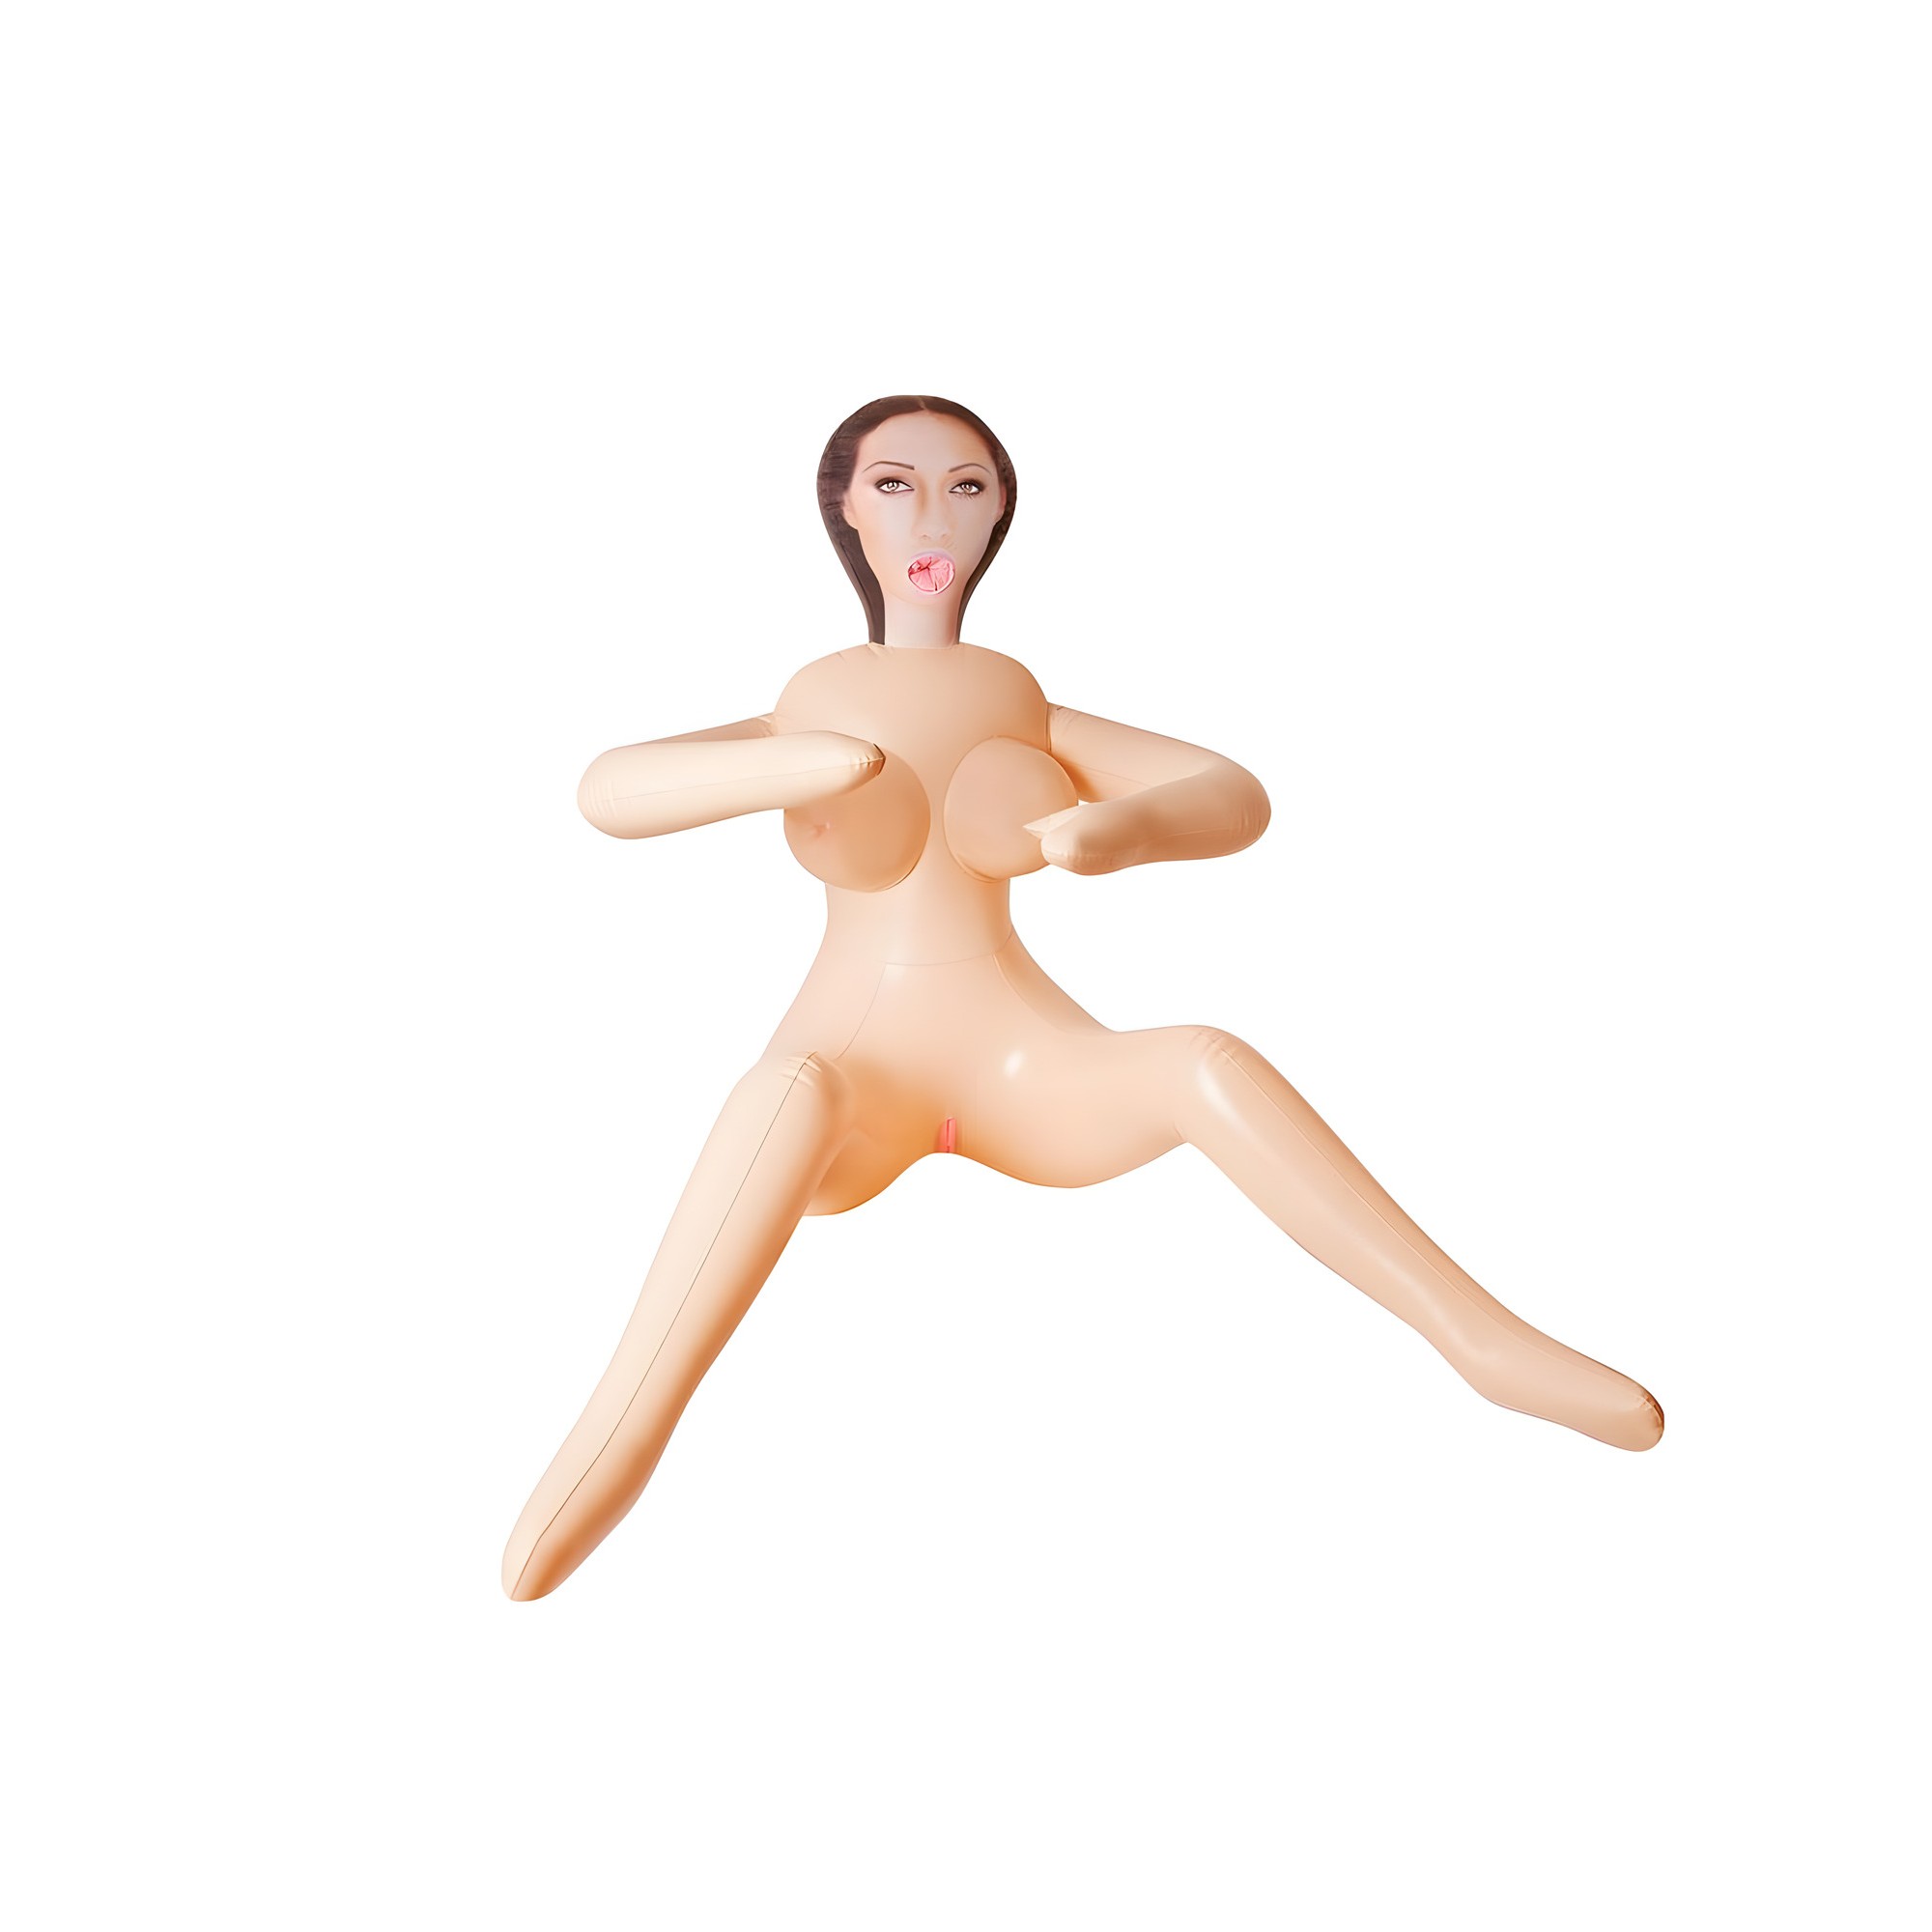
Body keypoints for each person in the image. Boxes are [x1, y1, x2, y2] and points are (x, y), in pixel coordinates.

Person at [501, 395, 1662, 1601]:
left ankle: (1477, 1339)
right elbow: (612, 788)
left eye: (966, 486)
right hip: (850, 1086)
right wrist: (793, 763)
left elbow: (1229, 792)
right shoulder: (812, 696)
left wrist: (1120, 829)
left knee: (1201, 1057)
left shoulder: (1015, 699)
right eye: (895, 484)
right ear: (843, 508)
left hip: (1024, 1073)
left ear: (999, 511)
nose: (931, 515)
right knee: (782, 1091)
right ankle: (617, 1434)